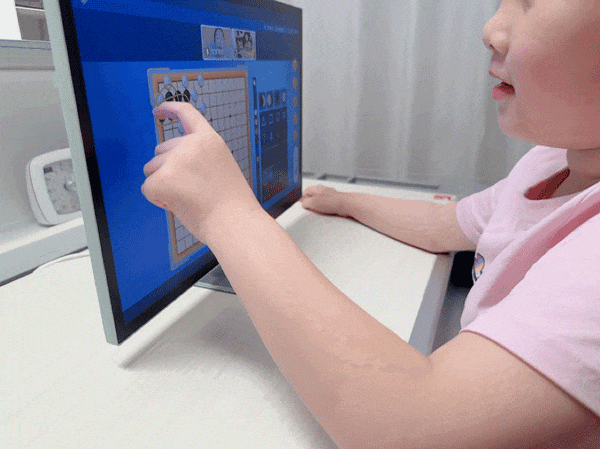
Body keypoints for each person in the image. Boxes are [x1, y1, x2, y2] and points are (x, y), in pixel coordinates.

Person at [142, 0, 600, 447]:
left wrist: (224, 213)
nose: (491, 30)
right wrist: (346, 201)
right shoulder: (549, 161)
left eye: (529, 2)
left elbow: (412, 428)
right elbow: (446, 224)